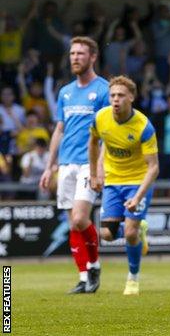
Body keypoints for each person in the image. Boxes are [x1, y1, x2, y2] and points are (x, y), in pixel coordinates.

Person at [39, 36, 109, 294]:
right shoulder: (65, 92)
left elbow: (105, 133)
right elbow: (59, 129)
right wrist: (49, 166)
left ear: (93, 57)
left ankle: (95, 266)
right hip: (66, 164)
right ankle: (84, 277)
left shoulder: (103, 90)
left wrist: (98, 168)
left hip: (87, 164)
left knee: (81, 218)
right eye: (72, 54)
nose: (75, 58)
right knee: (72, 224)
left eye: (80, 53)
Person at [88, 76, 158, 295]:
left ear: (131, 97)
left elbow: (154, 167)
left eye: (120, 95)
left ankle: (133, 279)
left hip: (138, 181)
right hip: (113, 181)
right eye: (112, 96)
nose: (115, 100)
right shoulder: (100, 118)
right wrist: (95, 173)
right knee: (107, 235)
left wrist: (137, 197)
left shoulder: (143, 126)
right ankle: (139, 231)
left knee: (128, 232)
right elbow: (94, 144)